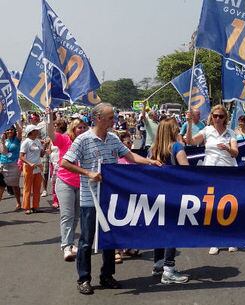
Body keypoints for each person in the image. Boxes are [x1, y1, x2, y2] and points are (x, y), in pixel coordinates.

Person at [61, 103, 161, 295]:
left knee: (110, 238)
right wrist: (88, 173)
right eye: (109, 117)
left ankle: (107, 275)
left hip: (110, 198)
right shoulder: (83, 139)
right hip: (90, 199)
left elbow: (130, 156)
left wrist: (150, 161)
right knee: (86, 241)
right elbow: (66, 162)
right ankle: (84, 278)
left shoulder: (113, 138)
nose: (113, 120)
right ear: (98, 118)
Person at [186, 105, 239, 254]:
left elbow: (235, 153)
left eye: (221, 116)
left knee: (229, 206)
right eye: (215, 116)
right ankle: (215, 240)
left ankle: (231, 238)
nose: (217, 119)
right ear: (211, 116)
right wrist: (189, 123)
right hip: (211, 173)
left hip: (228, 173)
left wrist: (227, 148)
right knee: (213, 206)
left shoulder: (230, 133)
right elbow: (189, 141)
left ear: (225, 118)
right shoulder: (207, 130)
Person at [150, 118, 189, 284]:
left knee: (160, 229)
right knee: (172, 231)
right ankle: (168, 268)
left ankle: (158, 263)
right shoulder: (177, 147)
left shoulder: (152, 150)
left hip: (156, 194)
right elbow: (186, 170)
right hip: (173, 194)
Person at [47, 109, 89, 261]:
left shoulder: (87, 141)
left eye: (84, 127)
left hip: (82, 183)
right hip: (65, 182)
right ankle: (66, 246)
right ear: (73, 128)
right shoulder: (65, 139)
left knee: (76, 215)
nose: (82, 130)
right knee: (67, 215)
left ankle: (71, 244)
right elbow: (51, 134)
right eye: (79, 127)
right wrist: (49, 118)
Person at [20, 125, 45, 215]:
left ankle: (35, 206)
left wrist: (44, 147)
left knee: (37, 188)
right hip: (28, 167)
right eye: (36, 130)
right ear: (31, 132)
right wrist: (29, 163)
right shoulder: (26, 142)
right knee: (27, 188)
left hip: (38, 166)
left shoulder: (38, 141)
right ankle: (26, 207)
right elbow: (21, 156)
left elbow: (41, 154)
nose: (38, 132)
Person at [0, 123, 22, 211]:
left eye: (11, 129)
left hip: (14, 164)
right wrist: (2, 142)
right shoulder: (3, 140)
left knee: (15, 186)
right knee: (1, 186)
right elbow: (4, 152)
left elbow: (20, 131)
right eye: (8, 130)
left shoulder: (17, 139)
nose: (9, 131)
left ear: (14, 130)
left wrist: (14, 120)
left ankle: (18, 203)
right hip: (3, 164)